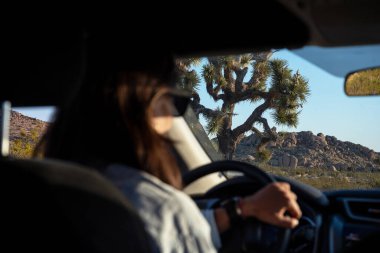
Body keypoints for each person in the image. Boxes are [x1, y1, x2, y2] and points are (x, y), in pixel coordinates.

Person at [36, 34, 301, 252]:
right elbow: (168, 227)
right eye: (176, 102)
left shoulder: (34, 191)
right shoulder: (161, 208)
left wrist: (242, 208)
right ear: (149, 102)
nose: (175, 109)